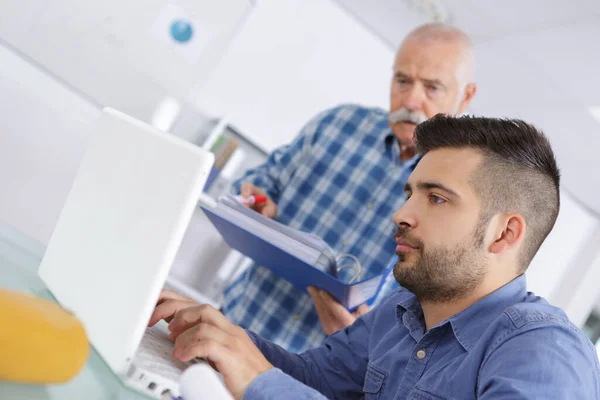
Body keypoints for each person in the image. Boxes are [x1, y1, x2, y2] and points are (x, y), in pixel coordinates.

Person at [150, 115, 600, 399]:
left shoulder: (543, 352)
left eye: (437, 199)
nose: (401, 214)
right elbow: (315, 377)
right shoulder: (400, 310)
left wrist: (261, 382)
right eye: (409, 194)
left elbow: (273, 384)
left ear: (504, 233)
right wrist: (222, 335)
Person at [221, 22, 478, 352]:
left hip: (312, 378)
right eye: (402, 80)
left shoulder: (463, 195)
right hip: (235, 327)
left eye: (432, 88)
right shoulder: (337, 123)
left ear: (465, 95)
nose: (411, 100)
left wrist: (371, 337)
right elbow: (265, 180)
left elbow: (433, 325)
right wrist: (259, 199)